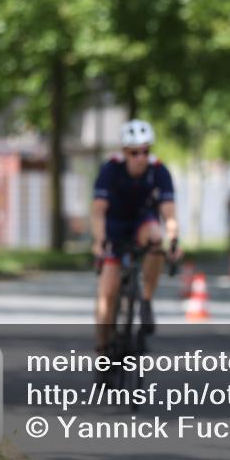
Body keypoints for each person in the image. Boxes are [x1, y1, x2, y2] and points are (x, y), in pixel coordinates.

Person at [90, 119, 182, 356]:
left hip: (142, 223)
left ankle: (146, 301)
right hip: (115, 227)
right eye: (134, 152)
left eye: (145, 151)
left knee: (156, 238)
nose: (140, 157)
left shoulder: (159, 171)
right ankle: (103, 347)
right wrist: (99, 240)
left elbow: (169, 212)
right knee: (107, 296)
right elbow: (98, 211)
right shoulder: (110, 170)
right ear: (124, 152)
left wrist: (174, 240)